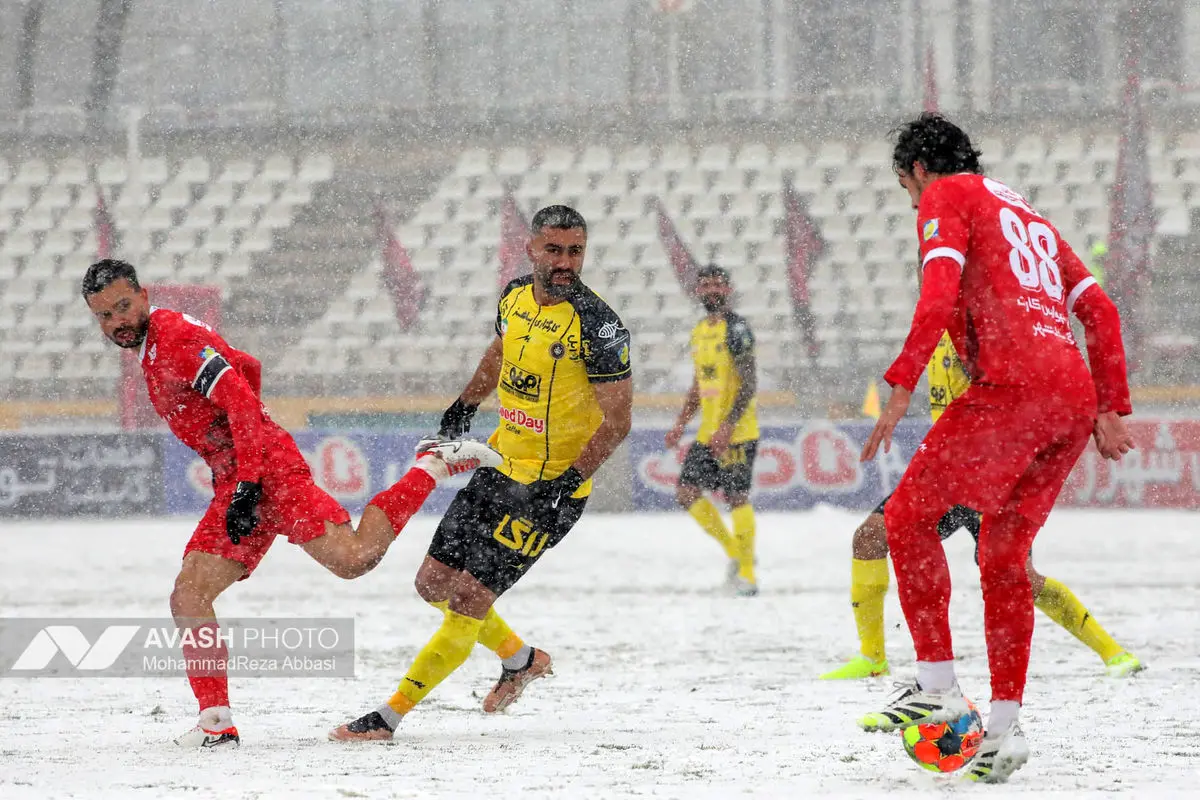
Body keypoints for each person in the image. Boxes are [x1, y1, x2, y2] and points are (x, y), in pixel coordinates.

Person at [81, 259, 500, 749]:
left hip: (266, 473)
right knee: (188, 595)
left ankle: (432, 464)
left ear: (144, 295)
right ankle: (217, 723)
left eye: (123, 306)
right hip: (240, 477)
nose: (117, 322)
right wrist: (239, 476)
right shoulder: (156, 344)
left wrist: (250, 476)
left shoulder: (172, 338)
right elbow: (248, 367)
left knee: (354, 559)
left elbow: (238, 398)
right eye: (104, 316)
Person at [855, 114, 1135, 784]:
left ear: (919, 170)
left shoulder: (948, 196)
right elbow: (1100, 310)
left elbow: (938, 292)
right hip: (1069, 398)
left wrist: (901, 381)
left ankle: (938, 688)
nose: (914, 205)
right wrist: (1111, 404)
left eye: (907, 190)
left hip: (1013, 388)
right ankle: (1004, 730)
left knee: (905, 520)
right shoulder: (1028, 213)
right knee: (1003, 557)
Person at [331, 205, 633, 741]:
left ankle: (389, 715)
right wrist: (465, 402)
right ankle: (520, 660)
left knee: (470, 598)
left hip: (549, 489)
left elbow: (619, 419)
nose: (565, 262)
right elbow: (500, 351)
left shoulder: (600, 325)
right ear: (531, 248)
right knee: (431, 584)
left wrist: (570, 479)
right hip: (497, 464)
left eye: (575, 251)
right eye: (554, 250)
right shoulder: (515, 296)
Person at [821, 330, 1143, 681]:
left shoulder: (981, 326)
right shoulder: (938, 327)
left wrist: (1095, 411)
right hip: (946, 467)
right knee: (870, 537)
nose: (927, 281)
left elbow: (1037, 375)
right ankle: (872, 659)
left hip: (994, 469)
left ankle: (1113, 652)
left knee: (1019, 577)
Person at [665, 264, 759, 596]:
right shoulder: (700, 331)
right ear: (698, 292)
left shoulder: (737, 329)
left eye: (717, 284)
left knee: (736, 497)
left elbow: (749, 383)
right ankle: (736, 552)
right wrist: (680, 423)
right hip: (708, 431)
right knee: (686, 492)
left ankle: (747, 575)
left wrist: (728, 427)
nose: (711, 290)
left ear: (728, 290)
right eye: (705, 285)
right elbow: (698, 384)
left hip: (737, 431)